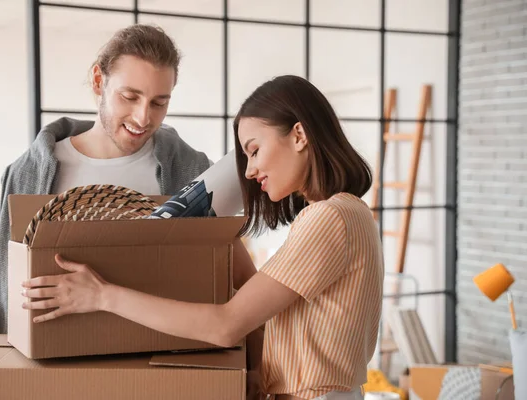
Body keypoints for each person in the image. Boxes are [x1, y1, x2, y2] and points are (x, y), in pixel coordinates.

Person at [22, 75, 384, 400]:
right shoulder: (347, 214)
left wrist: (102, 295)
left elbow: (225, 325)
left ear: (300, 135)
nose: (252, 169)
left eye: (255, 150)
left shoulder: (329, 218)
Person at [0, 24, 257, 343]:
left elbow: (245, 279)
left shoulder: (190, 171)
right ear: (98, 81)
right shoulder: (31, 172)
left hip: (161, 369)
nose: (142, 118)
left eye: (158, 103)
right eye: (130, 97)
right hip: (51, 373)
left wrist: (257, 369)